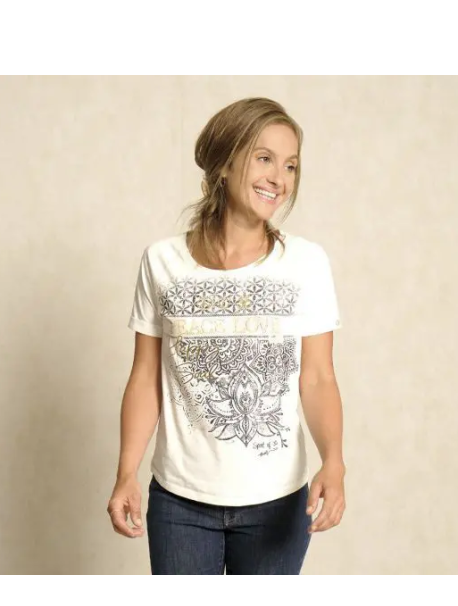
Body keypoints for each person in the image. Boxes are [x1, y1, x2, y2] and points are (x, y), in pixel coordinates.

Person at [107, 97, 346, 574]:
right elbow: (146, 377)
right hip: (180, 503)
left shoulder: (306, 263)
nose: (279, 178)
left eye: (291, 165)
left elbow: (318, 377)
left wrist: (334, 461)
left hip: (278, 503)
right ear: (224, 163)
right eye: (264, 158)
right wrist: (126, 472)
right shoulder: (162, 262)